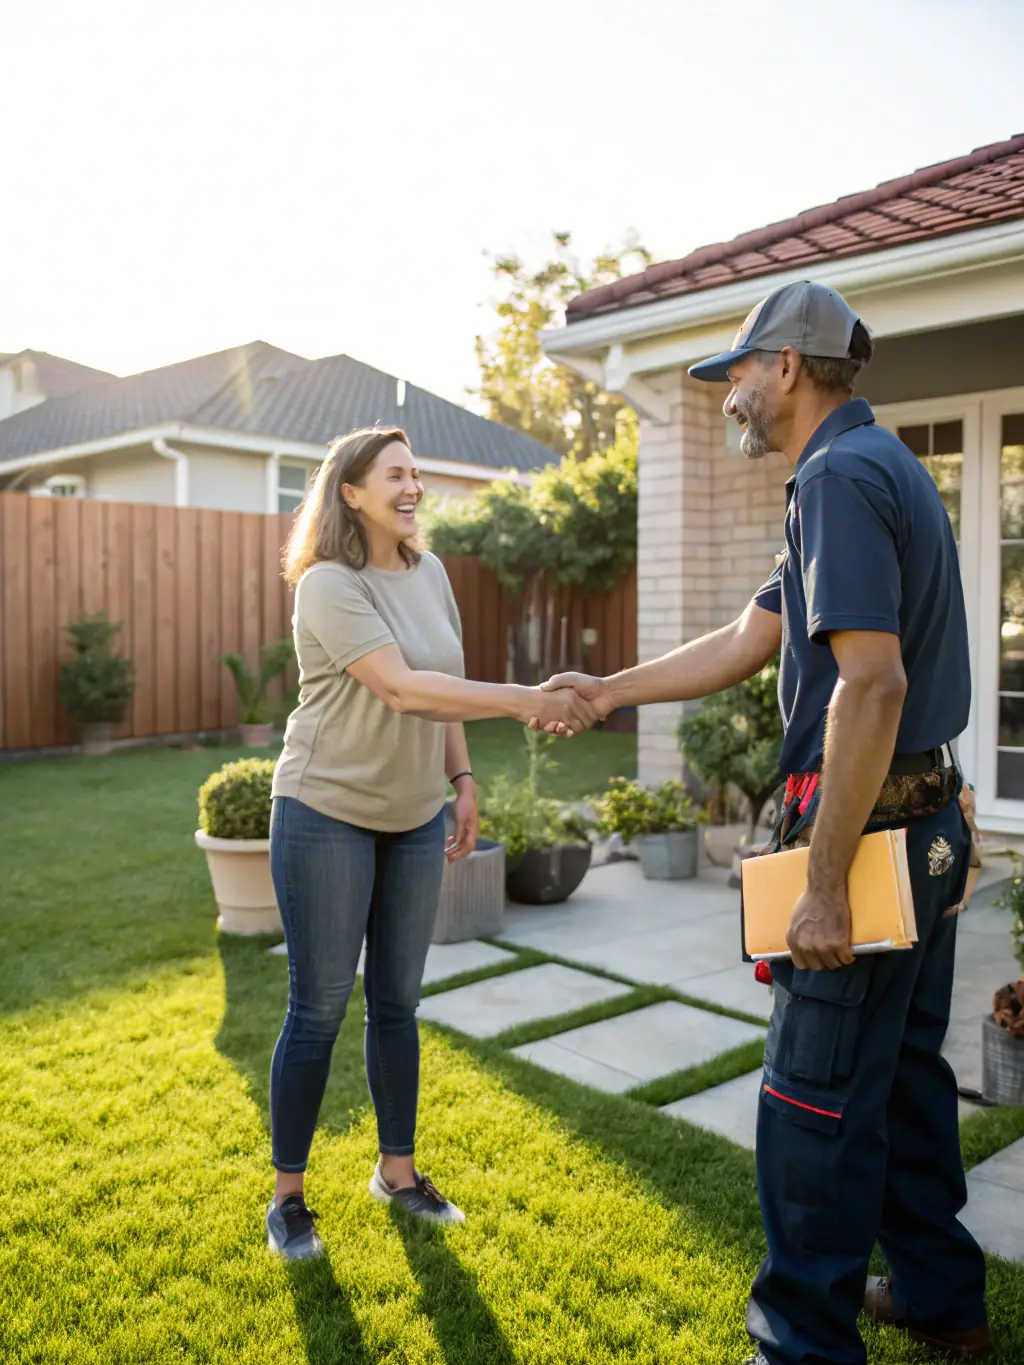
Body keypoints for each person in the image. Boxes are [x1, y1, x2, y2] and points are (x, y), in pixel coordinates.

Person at [542, 281, 990, 1364]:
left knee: (811, 1101)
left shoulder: (835, 476)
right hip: (924, 822)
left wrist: (826, 882)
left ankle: (799, 1343)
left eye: (737, 373)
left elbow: (871, 686)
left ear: (786, 366)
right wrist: (607, 689)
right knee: (904, 1077)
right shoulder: (871, 469)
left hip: (868, 836)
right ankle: (937, 1294)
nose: (729, 394)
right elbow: (749, 636)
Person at [265, 425, 594, 1261]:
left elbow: (441, 690)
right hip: (326, 809)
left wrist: (463, 781)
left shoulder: (431, 570)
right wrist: (527, 699)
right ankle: (290, 1197)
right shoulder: (328, 585)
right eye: (395, 476)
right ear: (350, 492)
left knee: (399, 1004)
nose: (413, 487)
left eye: (417, 474)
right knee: (319, 1007)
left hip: (413, 814)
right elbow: (404, 688)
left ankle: (398, 1173)